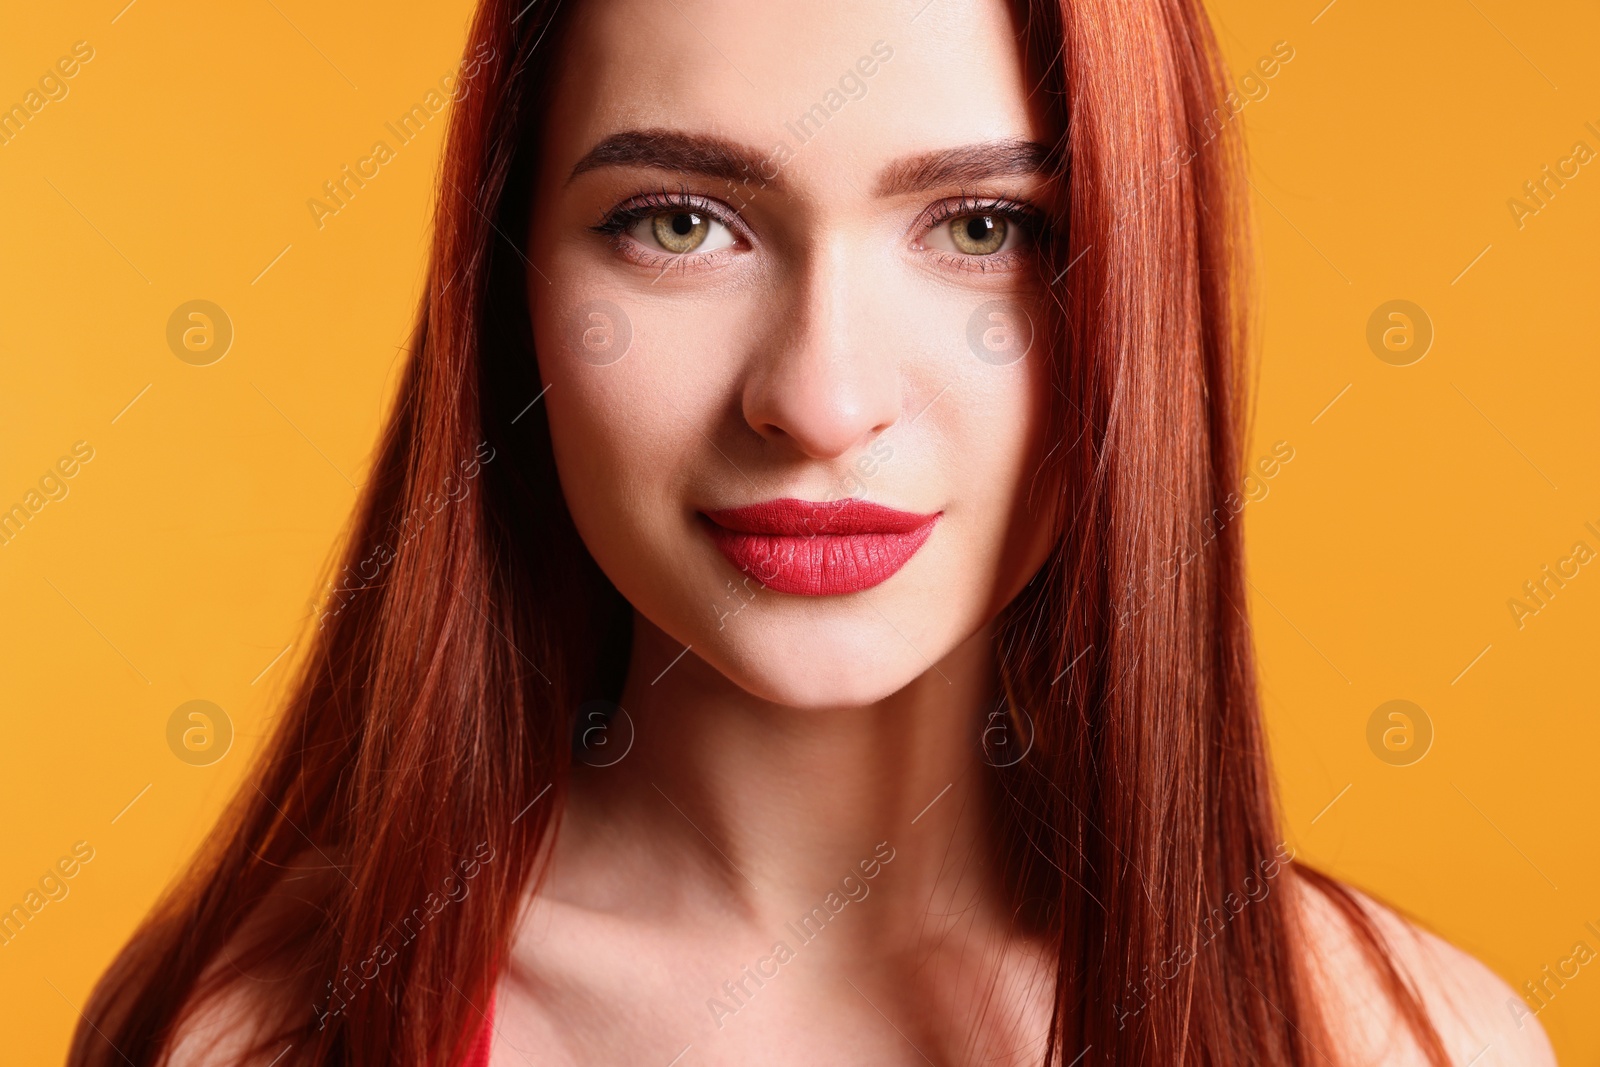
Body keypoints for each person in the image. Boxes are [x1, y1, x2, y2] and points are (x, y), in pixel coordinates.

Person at [72, 0, 1558, 1064]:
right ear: (508, 296)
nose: (820, 398)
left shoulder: (1403, 1045)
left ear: (1136, 295)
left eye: (984, 227)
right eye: (678, 222)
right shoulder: (254, 1034)